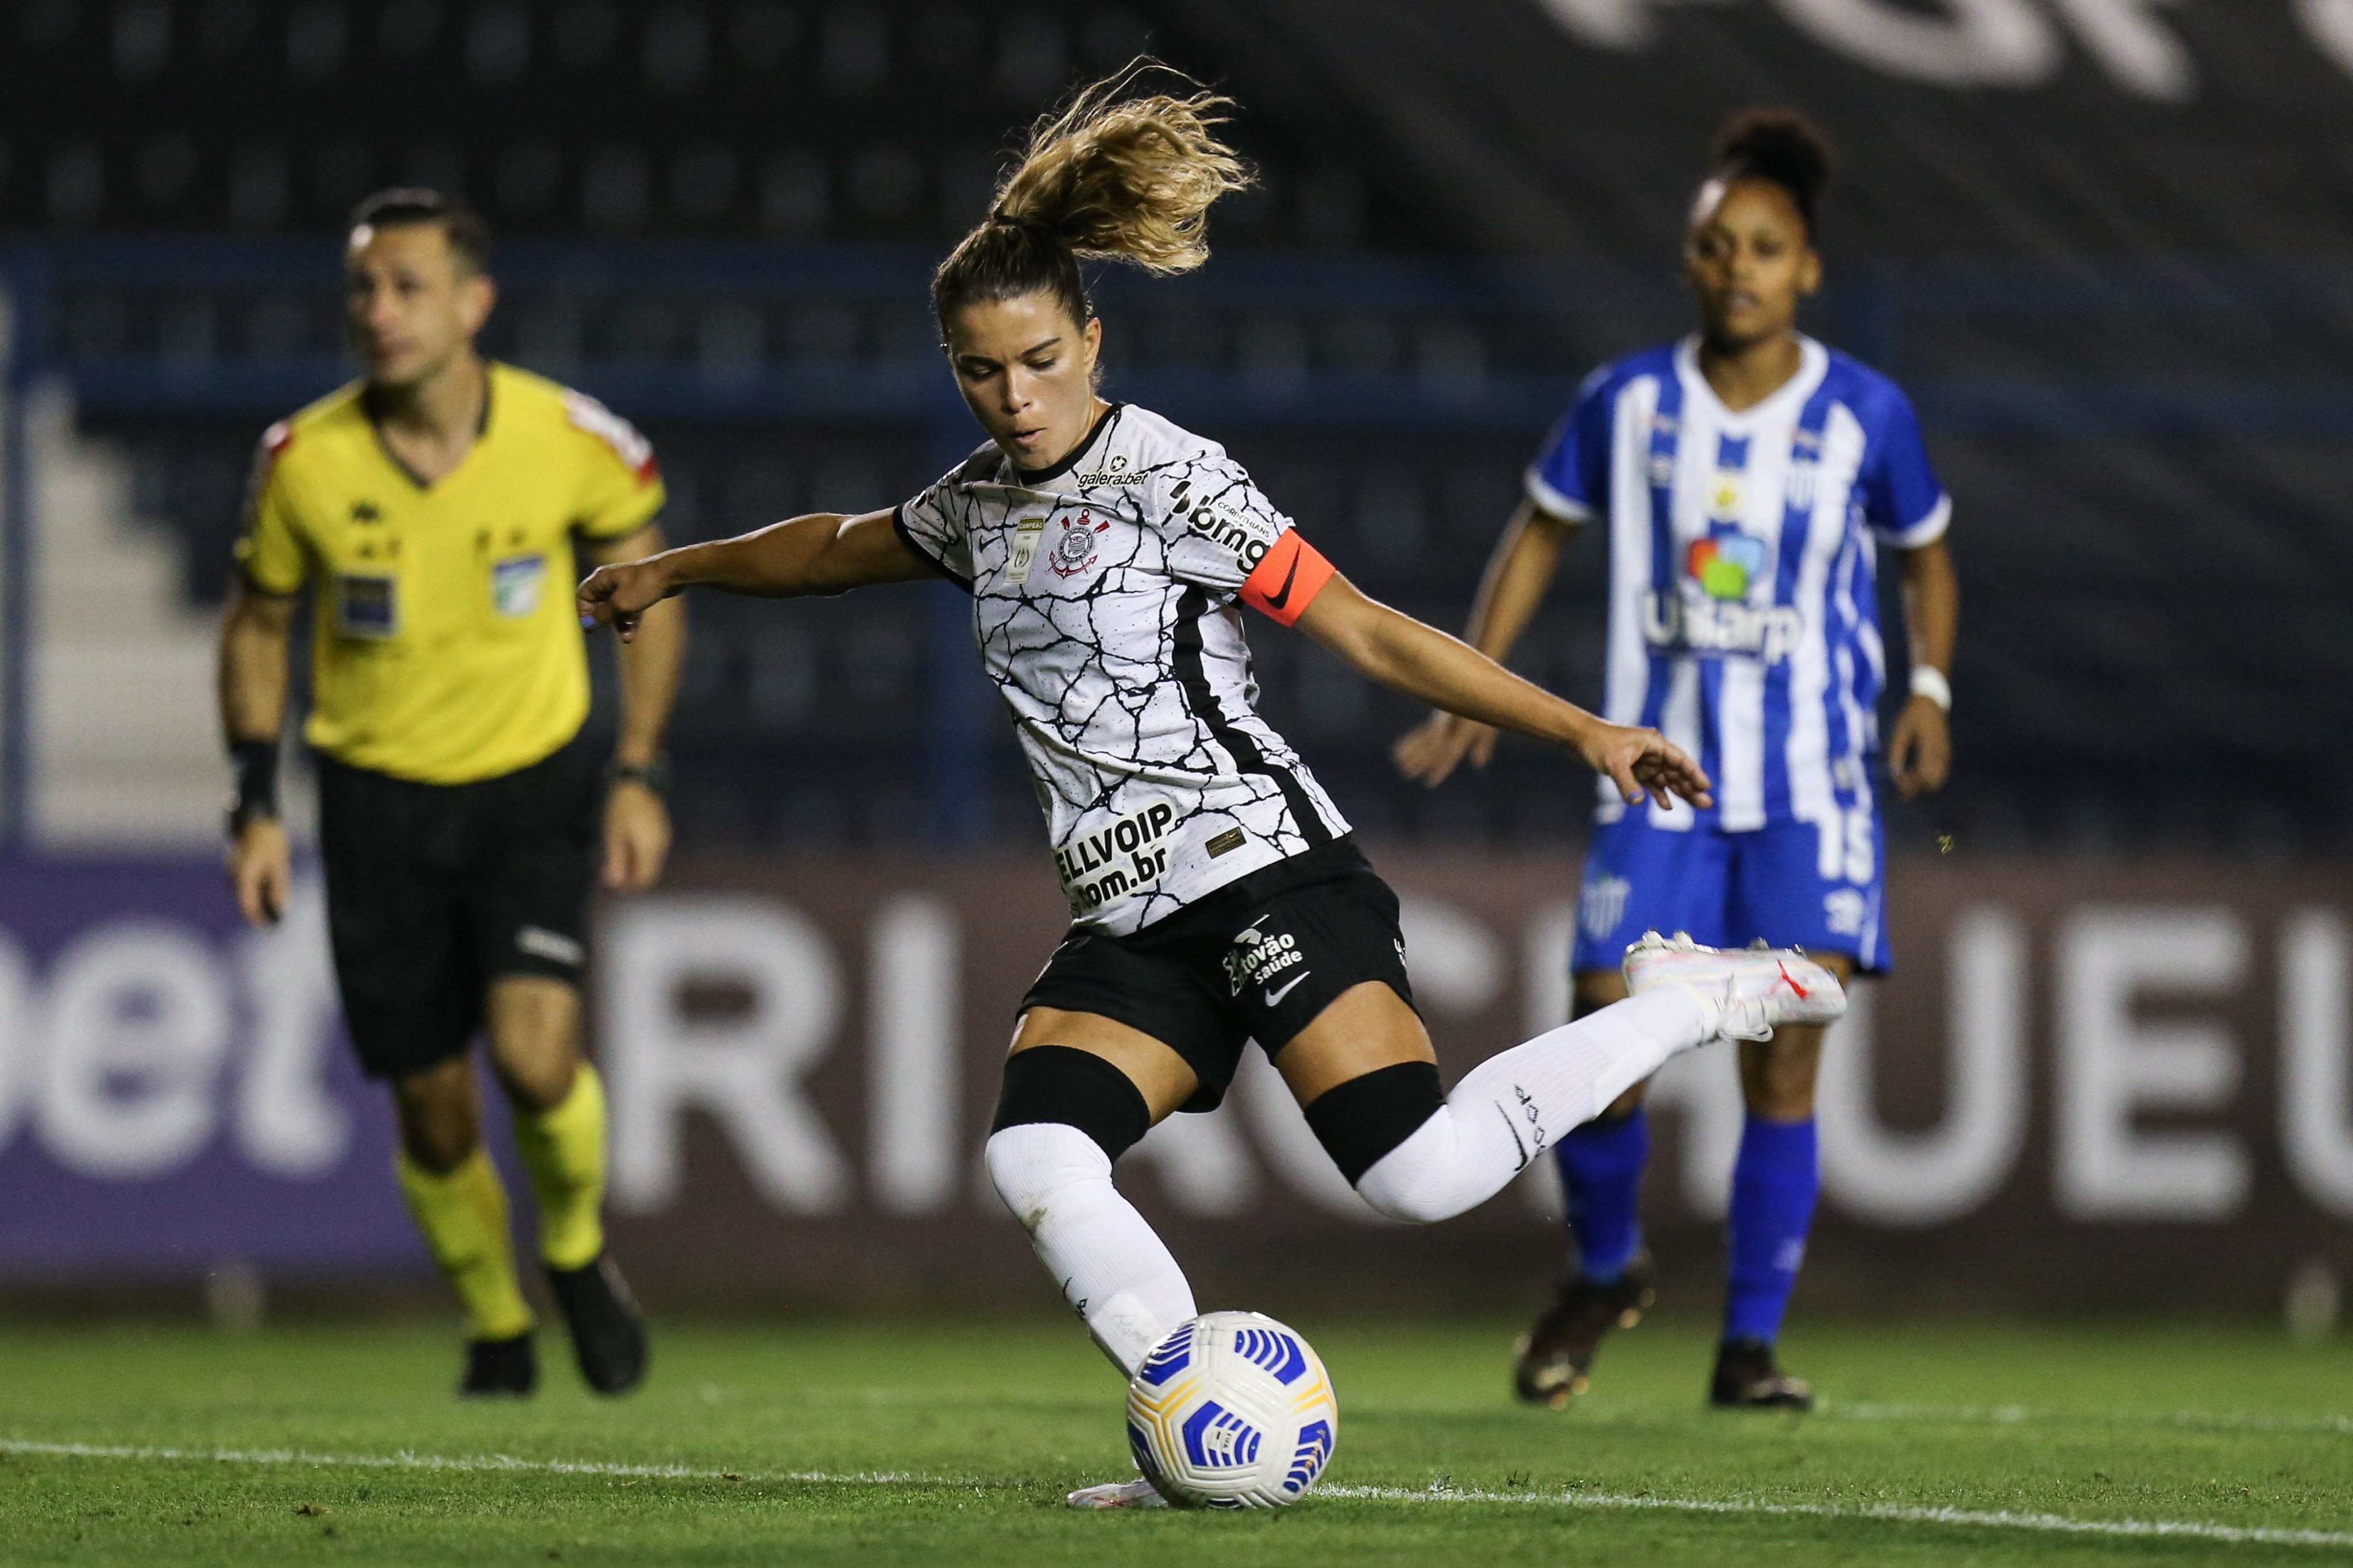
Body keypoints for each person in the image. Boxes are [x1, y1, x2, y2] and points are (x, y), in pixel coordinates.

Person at [577, 69, 1844, 1504]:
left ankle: (1689, 998)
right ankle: (1193, 1424)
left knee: (1415, 1177)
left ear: (1093, 338)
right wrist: (675, 567)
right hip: (1128, 919)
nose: (1016, 396)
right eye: (982, 372)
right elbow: (827, 547)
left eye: (1042, 361)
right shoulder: (975, 504)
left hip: (1260, 865)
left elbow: (1362, 625)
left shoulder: (1171, 476)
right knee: (1041, 1153)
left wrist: (1582, 731)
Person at [1395, 111, 1959, 1411]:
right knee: (1605, 1024)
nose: (1737, 267)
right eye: (1715, 246)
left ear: (1804, 267)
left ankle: (1748, 1348)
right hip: (1659, 779)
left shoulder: (1868, 414)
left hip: (1810, 791)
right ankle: (1604, 1269)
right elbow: (1536, 531)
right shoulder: (1626, 402)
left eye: (1763, 247)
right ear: (1689, 262)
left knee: (1784, 1052)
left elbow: (1924, 552)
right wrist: (1486, 682)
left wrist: (1924, 683)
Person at [219, 188, 686, 1398]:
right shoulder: (305, 461)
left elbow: (650, 586)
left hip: (533, 784)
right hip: (376, 803)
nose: (380, 313)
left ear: (473, 302)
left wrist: (638, 768)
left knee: (535, 1062)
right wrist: (255, 803)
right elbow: (260, 626)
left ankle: (576, 1252)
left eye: (408, 286)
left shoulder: (568, 437)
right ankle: (494, 1322)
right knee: (432, 1112)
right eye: (365, 289)